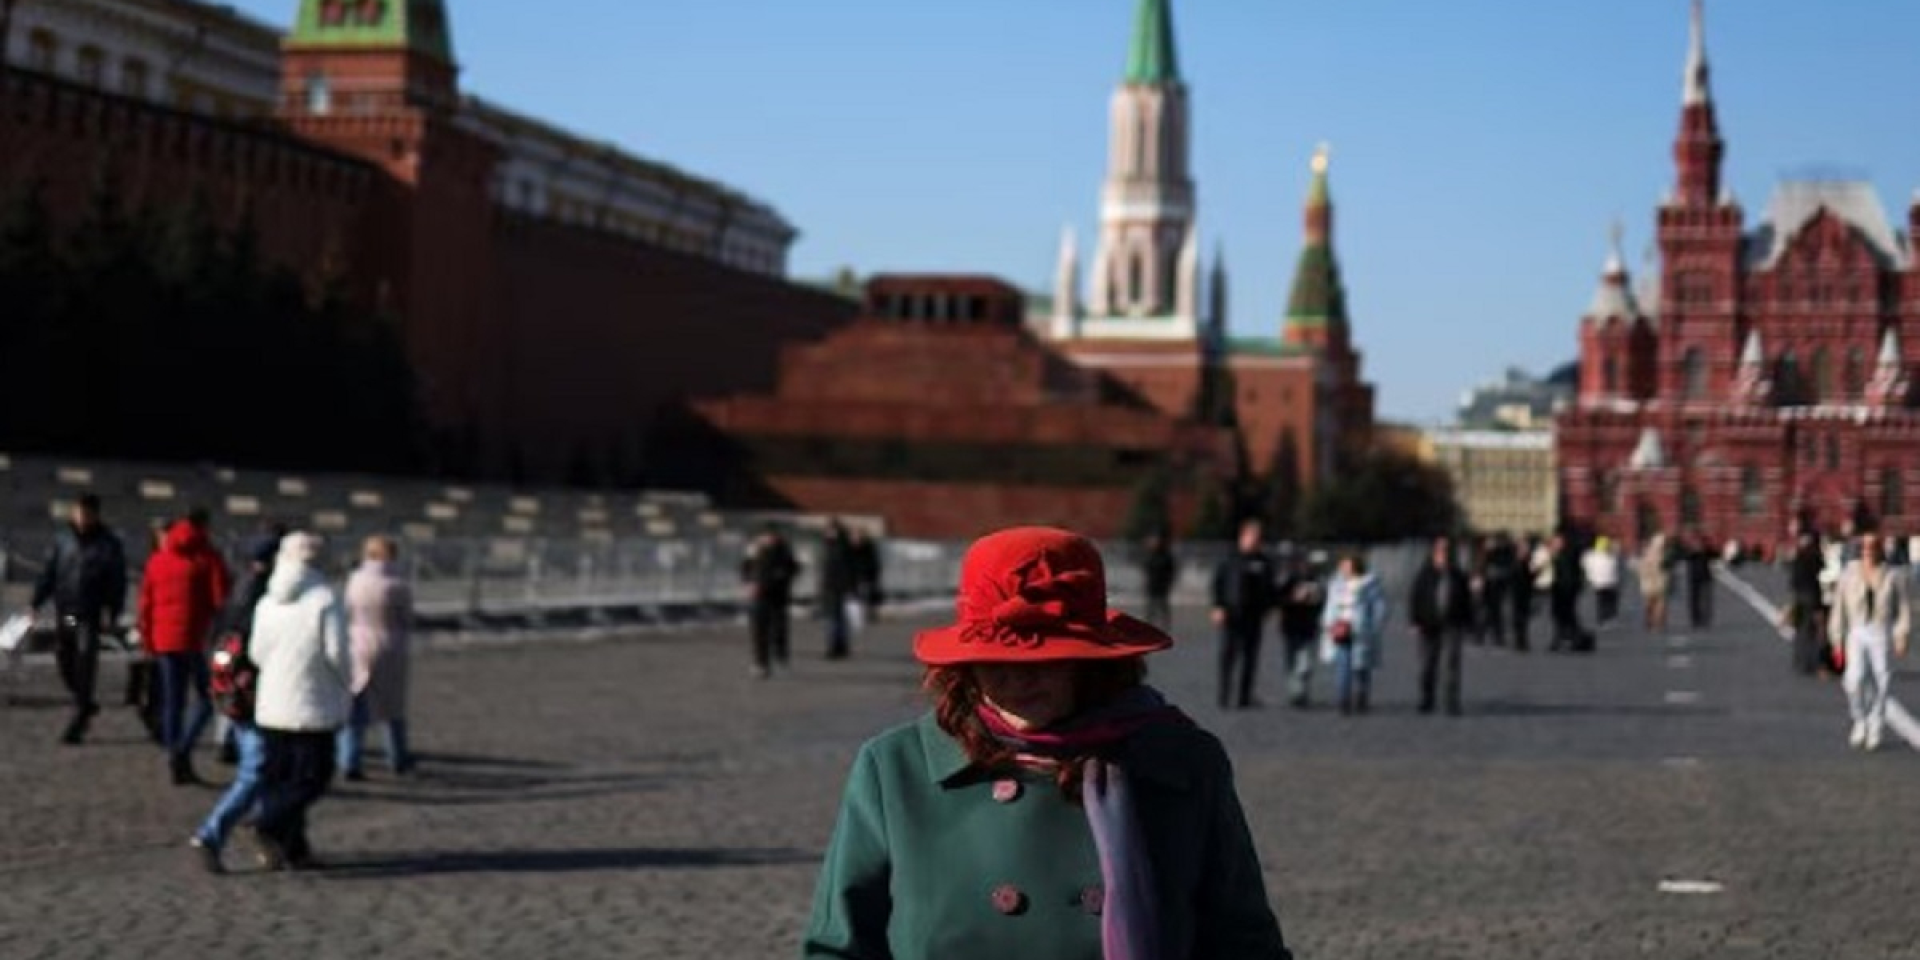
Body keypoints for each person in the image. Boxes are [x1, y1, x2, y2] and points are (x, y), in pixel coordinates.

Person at [801, 526, 1293, 959]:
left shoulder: (1181, 762)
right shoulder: (895, 770)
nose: (1018, 679)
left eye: (1047, 658)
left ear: (1094, 660)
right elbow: (838, 947)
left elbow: (1242, 942)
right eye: (995, 659)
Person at [247, 532, 352, 871]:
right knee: (313, 777)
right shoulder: (324, 599)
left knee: (280, 776)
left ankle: (294, 849)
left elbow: (256, 652)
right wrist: (347, 682)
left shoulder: (268, 601)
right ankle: (267, 823)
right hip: (312, 703)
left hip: (273, 704)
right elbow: (337, 653)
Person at [137, 516, 230, 785]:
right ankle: (182, 749)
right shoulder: (205, 559)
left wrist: (147, 640)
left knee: (173, 701)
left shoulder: (157, 560)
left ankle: (172, 752)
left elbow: (145, 604)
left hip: (163, 639)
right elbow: (220, 596)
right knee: (206, 697)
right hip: (194, 639)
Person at [28, 494, 127, 745]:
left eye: (87, 514)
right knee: (65, 653)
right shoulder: (63, 541)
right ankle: (83, 699)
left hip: (90, 614)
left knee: (85, 658)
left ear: (95, 515)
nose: (82, 519)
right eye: (79, 513)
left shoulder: (108, 544)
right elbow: (49, 573)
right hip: (69, 613)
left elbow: (117, 581)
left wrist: (112, 611)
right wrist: (36, 602)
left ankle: (80, 712)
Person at [338, 536, 414, 781]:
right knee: (391, 708)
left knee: (355, 706)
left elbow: (346, 611)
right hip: (389, 645)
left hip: (357, 642)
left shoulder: (355, 580)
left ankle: (349, 758)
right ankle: (397, 757)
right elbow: (406, 617)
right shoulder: (397, 584)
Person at [1828, 537, 1910, 752]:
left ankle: (1876, 724)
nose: (1868, 551)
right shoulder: (1848, 574)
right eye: (1864, 547)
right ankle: (1859, 718)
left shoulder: (1892, 575)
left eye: (1873, 547)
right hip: (1857, 631)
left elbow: (1903, 609)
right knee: (1853, 679)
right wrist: (1837, 639)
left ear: (1880, 550)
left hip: (1881, 630)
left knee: (1883, 678)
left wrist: (1901, 634)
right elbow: (1838, 608)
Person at [1210, 518, 1277, 710]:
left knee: (1250, 658)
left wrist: (1269, 608)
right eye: (1252, 537)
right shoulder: (1229, 559)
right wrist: (1217, 606)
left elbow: (1270, 588)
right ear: (1243, 537)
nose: (1255, 541)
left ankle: (1244, 697)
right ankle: (1224, 696)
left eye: (1258, 538)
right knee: (1227, 656)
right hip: (1231, 614)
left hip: (1253, 616)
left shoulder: (1263, 562)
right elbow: (1218, 584)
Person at [1409, 537, 1472, 716]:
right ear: (1434, 554)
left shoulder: (1458, 575)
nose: (1442, 555)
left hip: (1452, 624)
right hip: (1428, 624)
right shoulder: (1424, 574)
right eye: (1439, 551)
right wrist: (1414, 621)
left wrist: (1468, 622)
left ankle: (1452, 701)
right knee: (1427, 664)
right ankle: (1427, 698)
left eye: (1446, 551)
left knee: (1451, 664)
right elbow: (1415, 598)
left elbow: (1466, 601)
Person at [1319, 552, 1386, 716]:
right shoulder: (1335, 584)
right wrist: (1328, 623)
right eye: (1342, 565)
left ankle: (1361, 698)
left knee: (1361, 667)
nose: (1344, 568)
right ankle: (1343, 700)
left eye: (1347, 565)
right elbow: (1330, 605)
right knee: (1343, 666)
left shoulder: (1369, 584)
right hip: (1340, 628)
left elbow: (1379, 607)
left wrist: (1373, 627)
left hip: (1361, 630)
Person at [742, 525, 799, 678]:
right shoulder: (754, 550)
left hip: (778, 596)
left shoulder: (783, 551)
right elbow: (745, 568)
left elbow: (793, 569)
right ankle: (761, 663)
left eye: (771, 536)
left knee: (778, 629)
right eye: (765, 536)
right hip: (759, 595)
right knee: (759, 631)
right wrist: (748, 583)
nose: (768, 539)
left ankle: (780, 655)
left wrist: (780, 576)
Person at [1275, 551, 1325, 709]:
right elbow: (1279, 599)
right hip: (1291, 626)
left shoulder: (1318, 582)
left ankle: (1300, 691)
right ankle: (1294, 692)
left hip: (1309, 627)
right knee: (1291, 661)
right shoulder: (1289, 581)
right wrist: (1293, 599)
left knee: (1305, 663)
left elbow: (1325, 602)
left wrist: (1314, 600)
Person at [1789, 529, 1827, 675]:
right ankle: (1814, 662)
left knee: (1800, 630)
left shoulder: (1798, 559)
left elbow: (1793, 581)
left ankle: (1800, 660)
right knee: (1814, 631)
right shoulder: (1813, 557)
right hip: (1811, 597)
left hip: (1799, 598)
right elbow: (1820, 571)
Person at [818, 521, 856, 660]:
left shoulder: (837, 547)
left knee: (833, 619)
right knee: (839, 618)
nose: (826, 533)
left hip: (835, 587)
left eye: (829, 530)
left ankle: (834, 647)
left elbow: (839, 569)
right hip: (835, 587)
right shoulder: (835, 546)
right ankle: (840, 646)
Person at [1549, 534, 1588, 652]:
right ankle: (1568, 639)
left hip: (1565, 589)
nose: (1554, 545)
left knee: (1565, 615)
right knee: (1562, 615)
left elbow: (1567, 574)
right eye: (1553, 543)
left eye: (1556, 542)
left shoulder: (1565, 555)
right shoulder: (1562, 554)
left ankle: (1569, 639)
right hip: (1561, 588)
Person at [1482, 533, 1517, 647]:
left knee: (1497, 611)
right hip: (1494, 584)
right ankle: (1492, 634)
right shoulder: (1496, 552)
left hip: (1500, 583)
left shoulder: (1507, 552)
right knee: (1492, 610)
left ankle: (1496, 635)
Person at [1515, 534, 1548, 652]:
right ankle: (1520, 641)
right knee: (1520, 616)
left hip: (1525, 591)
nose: (1523, 549)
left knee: (1522, 616)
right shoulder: (1517, 561)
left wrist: (1538, 571)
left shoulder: (1525, 560)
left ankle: (1521, 641)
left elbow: (1530, 576)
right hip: (1519, 591)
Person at [1140, 532, 1178, 630]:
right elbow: (1146, 569)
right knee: (1151, 608)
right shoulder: (1150, 555)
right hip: (1152, 586)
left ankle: (1165, 626)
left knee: (1163, 607)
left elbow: (1171, 571)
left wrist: (1168, 583)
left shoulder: (1166, 556)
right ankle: (1149, 626)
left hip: (1162, 586)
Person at [1582, 537, 1623, 626]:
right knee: (1611, 599)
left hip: (1597, 583)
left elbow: (1584, 563)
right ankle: (1609, 615)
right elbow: (1617, 560)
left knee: (1601, 600)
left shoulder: (1590, 556)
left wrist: (1589, 577)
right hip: (1610, 582)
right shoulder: (1611, 555)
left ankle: (1602, 617)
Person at [1637, 532, 1673, 632]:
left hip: (1649, 583)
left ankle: (1650, 622)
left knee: (1651, 604)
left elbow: (1641, 569)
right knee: (1659, 604)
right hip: (1659, 582)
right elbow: (1667, 568)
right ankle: (1658, 624)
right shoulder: (1665, 554)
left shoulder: (1647, 553)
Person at [849, 528, 883, 624]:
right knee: (855, 597)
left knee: (865, 595)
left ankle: (869, 614)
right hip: (854, 576)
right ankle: (859, 615)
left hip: (865, 576)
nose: (855, 539)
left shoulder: (868, 548)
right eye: (854, 536)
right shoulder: (849, 549)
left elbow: (873, 564)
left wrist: (872, 575)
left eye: (857, 536)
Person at [1684, 532, 1715, 629]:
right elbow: (1685, 556)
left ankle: (1705, 618)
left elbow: (1715, 555)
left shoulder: (1706, 550)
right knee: (1694, 599)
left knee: (1706, 599)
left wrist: (1706, 549)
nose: (1697, 545)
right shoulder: (1691, 551)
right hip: (1694, 577)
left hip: (1705, 576)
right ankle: (1696, 619)